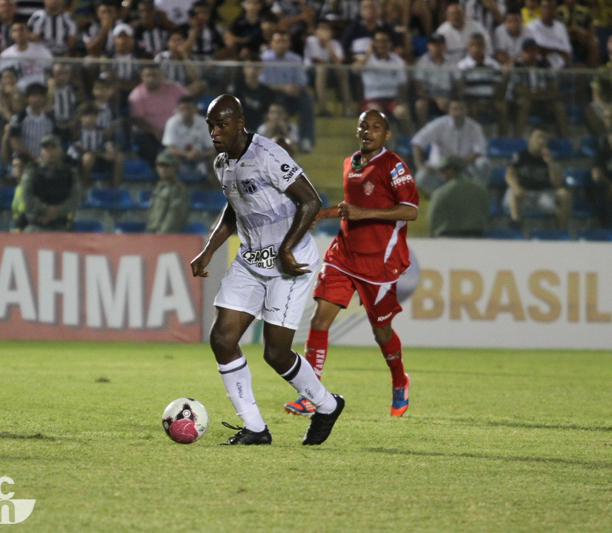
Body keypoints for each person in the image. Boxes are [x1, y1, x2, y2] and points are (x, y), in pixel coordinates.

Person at [190, 94, 344, 446]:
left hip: (291, 261)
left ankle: (327, 405)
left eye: (221, 125)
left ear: (240, 123)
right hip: (251, 259)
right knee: (222, 338)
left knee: (276, 353)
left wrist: (287, 247)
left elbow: (311, 201)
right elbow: (233, 209)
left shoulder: (269, 155)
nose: (214, 132)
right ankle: (256, 429)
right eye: (210, 126)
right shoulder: (222, 163)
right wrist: (208, 250)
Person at [282, 109, 417, 419]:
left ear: (386, 134)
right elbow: (351, 209)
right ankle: (310, 394)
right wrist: (324, 214)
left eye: (376, 127)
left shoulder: (394, 166)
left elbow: (410, 211)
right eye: (363, 126)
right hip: (343, 255)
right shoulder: (350, 163)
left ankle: (399, 379)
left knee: (381, 332)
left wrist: (363, 214)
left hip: (379, 264)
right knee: (319, 321)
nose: (368, 131)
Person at [411, 99, 490, 196]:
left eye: (461, 109)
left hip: (464, 168)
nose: (458, 112)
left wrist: (458, 165)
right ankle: (442, 197)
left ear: (466, 110)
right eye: (455, 109)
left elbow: (479, 151)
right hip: (440, 169)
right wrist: (420, 165)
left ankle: (475, 196)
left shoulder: (474, 127)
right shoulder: (439, 124)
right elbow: (418, 142)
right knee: (421, 177)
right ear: (449, 111)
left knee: (483, 164)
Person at [259, 30, 315, 153]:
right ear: (271, 44)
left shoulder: (295, 59)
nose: (281, 45)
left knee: (305, 98)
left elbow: (302, 81)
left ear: (289, 44)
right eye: (277, 42)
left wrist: (296, 89)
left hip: (289, 96)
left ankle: (305, 139)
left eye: (284, 42)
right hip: (270, 95)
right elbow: (262, 82)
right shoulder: (264, 59)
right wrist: (284, 87)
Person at [503, 128, 570, 229]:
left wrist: (550, 164)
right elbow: (509, 175)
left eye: (545, 138)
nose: (541, 141)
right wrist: (516, 187)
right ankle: (516, 226)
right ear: (529, 139)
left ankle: (561, 232)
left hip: (542, 195)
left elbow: (556, 184)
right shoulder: (520, 156)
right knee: (513, 192)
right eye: (538, 137)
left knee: (564, 194)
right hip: (523, 194)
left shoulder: (550, 159)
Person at [128, 64, 188, 166]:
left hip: (175, 129)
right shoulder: (136, 95)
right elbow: (137, 119)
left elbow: (188, 102)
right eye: (147, 75)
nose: (151, 78)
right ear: (142, 77)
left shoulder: (174, 88)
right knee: (141, 137)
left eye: (154, 75)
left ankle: (182, 168)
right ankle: (157, 168)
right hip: (150, 132)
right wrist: (155, 132)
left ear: (162, 76)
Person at [20, 134, 80, 232]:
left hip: (60, 226)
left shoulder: (69, 173)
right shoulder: (32, 170)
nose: (49, 152)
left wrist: (57, 211)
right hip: (36, 225)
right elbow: (26, 197)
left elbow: (75, 199)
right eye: (46, 148)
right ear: (41, 151)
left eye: (53, 148)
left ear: (60, 150)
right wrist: (45, 209)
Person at [428, 155, 488, 238]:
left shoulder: (441, 192)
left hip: (448, 237)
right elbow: (486, 213)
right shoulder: (480, 190)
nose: (441, 174)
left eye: (443, 170)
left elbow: (432, 219)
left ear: (451, 170)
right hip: (476, 236)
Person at [161, 95, 214, 177]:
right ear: (178, 110)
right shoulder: (172, 122)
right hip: (179, 156)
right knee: (166, 157)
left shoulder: (203, 123)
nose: (186, 112)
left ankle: (215, 187)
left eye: (189, 108)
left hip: (199, 156)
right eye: (182, 109)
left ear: (195, 109)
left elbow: (211, 148)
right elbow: (170, 148)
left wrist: (201, 154)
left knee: (214, 159)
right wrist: (186, 154)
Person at [147, 150, 189, 234]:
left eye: (166, 166)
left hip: (167, 236)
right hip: (153, 233)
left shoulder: (178, 189)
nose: (162, 169)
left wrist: (161, 235)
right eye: (160, 165)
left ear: (174, 168)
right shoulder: (158, 187)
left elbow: (174, 216)